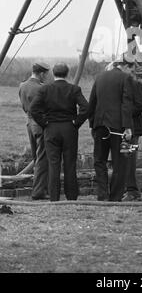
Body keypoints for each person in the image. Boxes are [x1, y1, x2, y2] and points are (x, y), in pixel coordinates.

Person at [30, 63, 89, 201]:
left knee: (53, 164)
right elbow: (85, 107)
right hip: (69, 128)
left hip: (51, 129)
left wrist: (44, 123)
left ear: (53, 74)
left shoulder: (45, 89)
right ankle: (71, 196)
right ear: (67, 74)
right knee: (70, 164)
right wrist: (77, 122)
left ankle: (54, 197)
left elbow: (33, 109)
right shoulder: (74, 89)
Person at [88, 55, 135, 201]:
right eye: (131, 69)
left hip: (100, 126)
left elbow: (92, 102)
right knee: (120, 162)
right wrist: (128, 127)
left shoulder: (100, 76)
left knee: (99, 161)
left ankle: (102, 194)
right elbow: (126, 104)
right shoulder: (126, 79)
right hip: (118, 128)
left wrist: (92, 124)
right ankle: (115, 196)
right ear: (126, 66)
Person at [19, 62, 50, 200]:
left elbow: (24, 106)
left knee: (36, 157)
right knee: (43, 158)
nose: (46, 77)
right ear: (42, 73)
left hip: (29, 123)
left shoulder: (22, 86)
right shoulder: (41, 88)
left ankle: (42, 188)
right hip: (40, 124)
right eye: (46, 75)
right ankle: (38, 192)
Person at [122, 68, 142, 202]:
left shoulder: (136, 84)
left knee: (129, 158)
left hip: (133, 130)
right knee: (124, 158)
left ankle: (132, 190)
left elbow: (141, 105)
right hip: (122, 129)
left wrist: (124, 113)